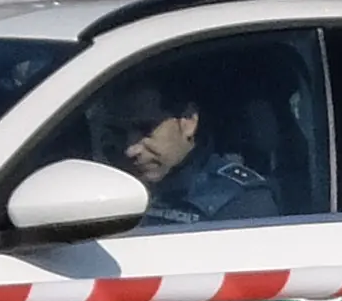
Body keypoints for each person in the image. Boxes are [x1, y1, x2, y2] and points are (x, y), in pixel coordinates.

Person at [99, 76, 279, 226]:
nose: (130, 149)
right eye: (118, 132)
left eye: (146, 130)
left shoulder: (239, 200)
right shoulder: (103, 189)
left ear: (188, 121)